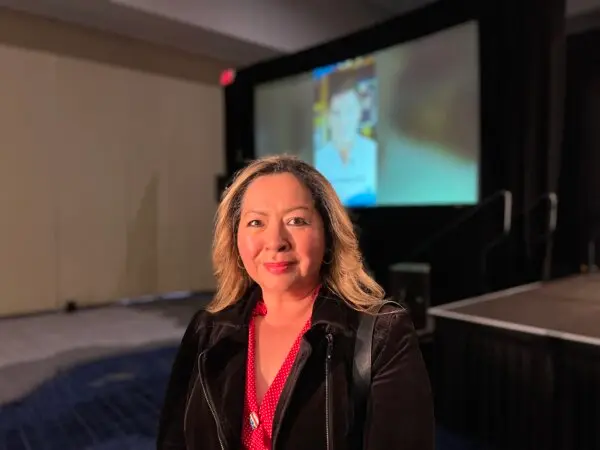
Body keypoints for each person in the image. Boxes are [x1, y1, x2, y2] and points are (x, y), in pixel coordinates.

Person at [157, 155, 434, 450]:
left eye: (296, 221)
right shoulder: (207, 330)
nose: (275, 241)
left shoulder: (382, 335)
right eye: (255, 222)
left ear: (328, 234)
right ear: (234, 239)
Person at [315, 79, 378, 207]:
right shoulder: (318, 159)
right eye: (337, 113)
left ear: (359, 114)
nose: (343, 121)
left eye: (349, 111)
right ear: (329, 117)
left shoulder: (374, 152)